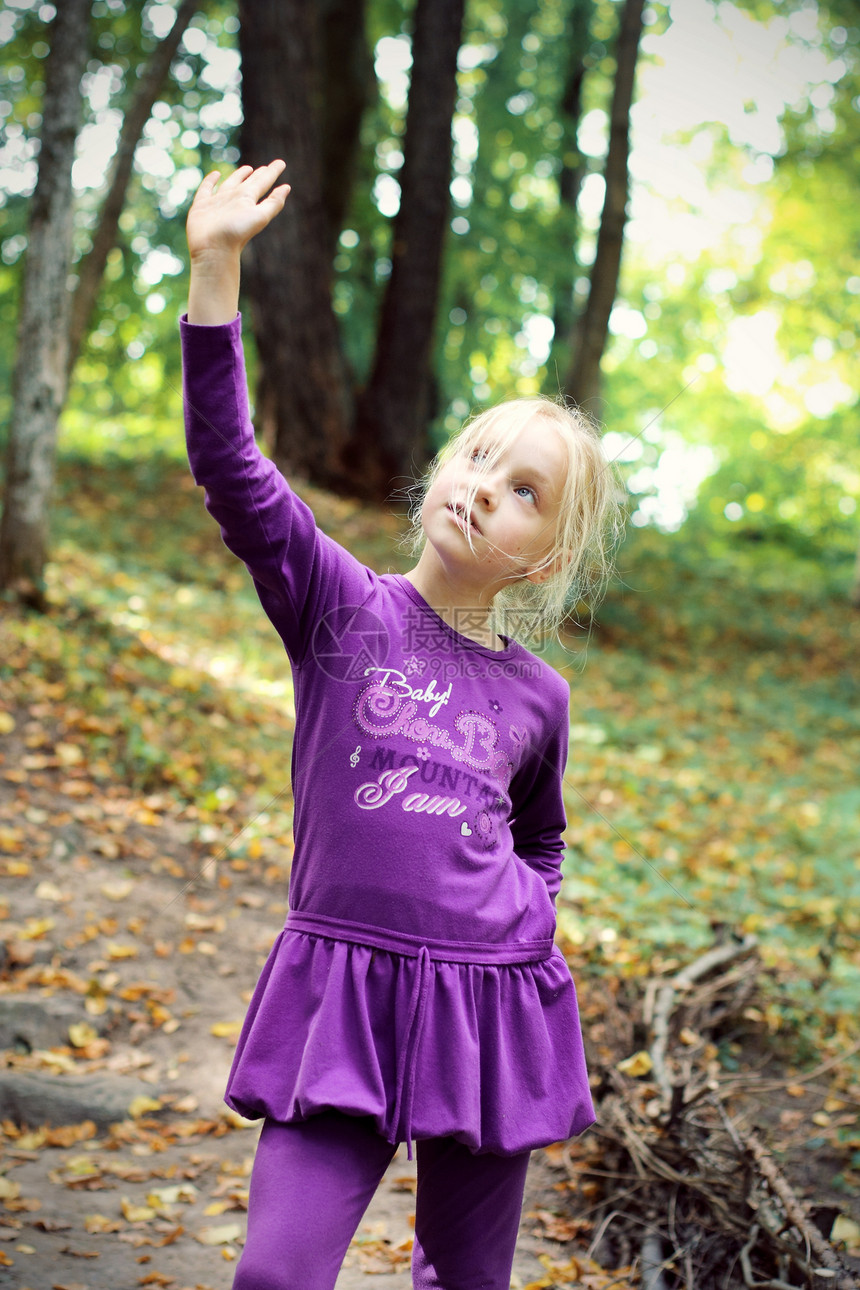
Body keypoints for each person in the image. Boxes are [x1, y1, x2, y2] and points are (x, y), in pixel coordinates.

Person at [181, 160, 622, 1290]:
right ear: (436, 472)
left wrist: (529, 918)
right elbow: (231, 469)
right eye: (477, 458)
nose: (485, 487)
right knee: (276, 1275)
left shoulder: (540, 696)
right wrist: (216, 267)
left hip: (492, 1003)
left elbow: (541, 834)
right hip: (345, 995)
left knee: (464, 1285)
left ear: (548, 557)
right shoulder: (341, 606)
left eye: (525, 491)